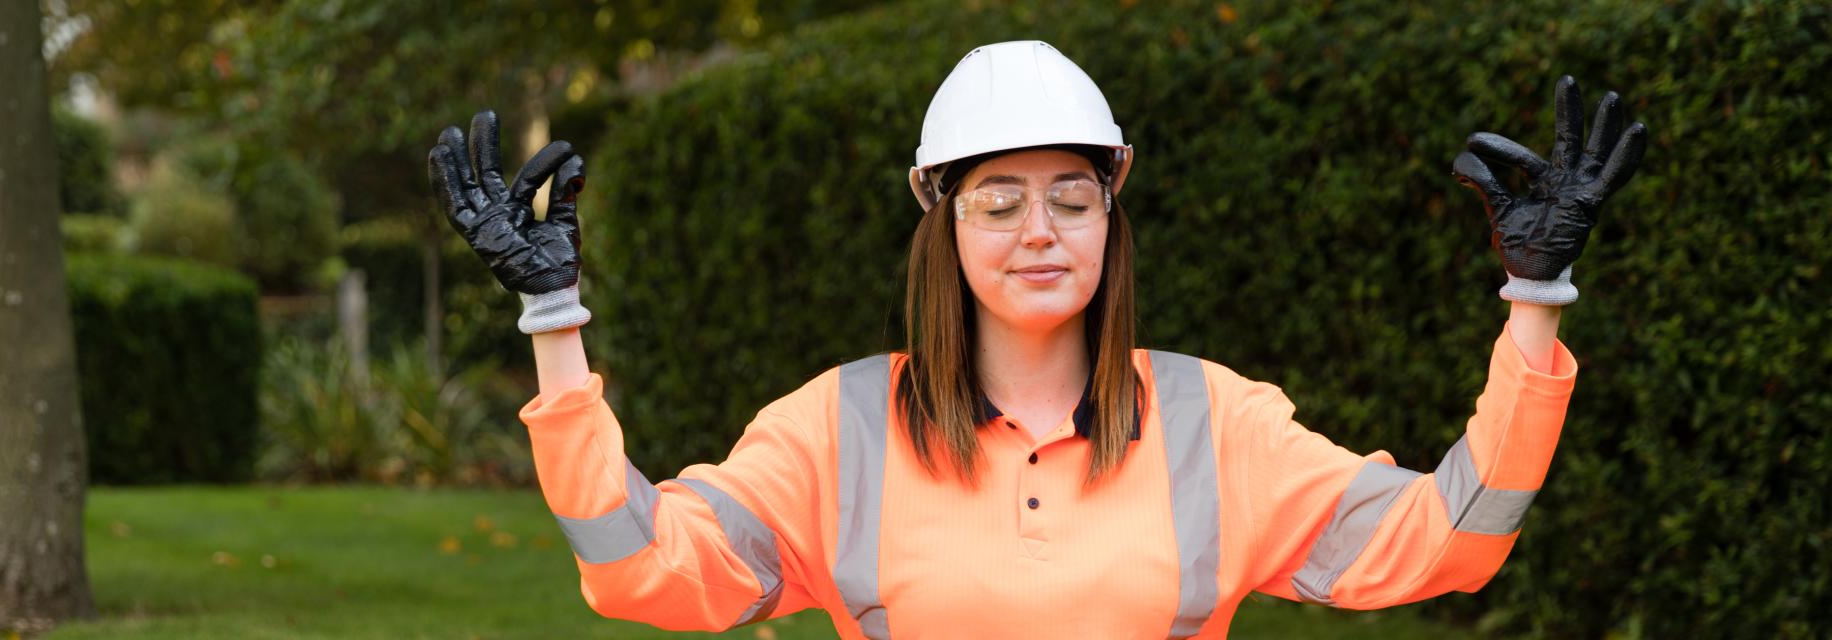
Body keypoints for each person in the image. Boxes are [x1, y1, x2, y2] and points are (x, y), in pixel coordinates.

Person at [427, 40, 1645, 639]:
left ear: (1112, 213)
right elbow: (639, 566)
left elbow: (1451, 541)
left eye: (1071, 195)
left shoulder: (1215, 422)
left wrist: (1534, 302)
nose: (1038, 230)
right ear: (940, 225)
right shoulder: (839, 428)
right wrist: (554, 317)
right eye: (997, 201)